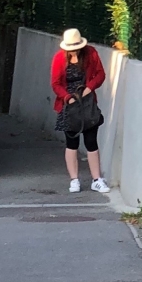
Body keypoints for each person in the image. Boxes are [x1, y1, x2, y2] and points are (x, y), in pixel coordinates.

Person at [50, 27, 110, 194]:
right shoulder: (58, 59)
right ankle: (74, 180)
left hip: (87, 103)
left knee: (91, 141)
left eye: (75, 48)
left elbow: (100, 74)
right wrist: (67, 97)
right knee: (72, 143)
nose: (73, 52)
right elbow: (55, 83)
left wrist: (89, 88)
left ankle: (97, 180)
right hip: (68, 105)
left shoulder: (91, 53)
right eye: (70, 49)